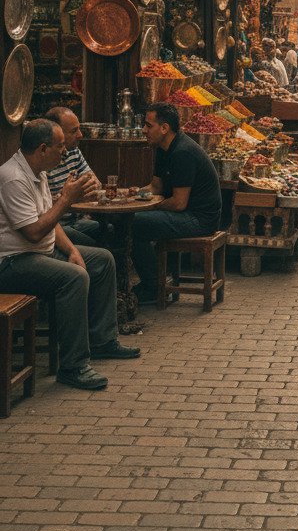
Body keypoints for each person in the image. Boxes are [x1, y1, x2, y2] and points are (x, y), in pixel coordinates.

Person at [0, 118, 139, 391]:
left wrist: (73, 250)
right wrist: (66, 200)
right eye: (60, 146)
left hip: (38, 253)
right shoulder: (13, 178)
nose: (65, 152)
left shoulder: (36, 171)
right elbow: (34, 232)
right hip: (12, 262)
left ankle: (102, 340)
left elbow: (51, 223)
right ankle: (73, 366)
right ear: (42, 149)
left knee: (101, 260)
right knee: (73, 278)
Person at [133, 104, 222, 301]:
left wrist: (151, 205)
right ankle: (156, 281)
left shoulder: (182, 152)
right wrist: (134, 195)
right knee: (132, 219)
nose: (144, 130)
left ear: (164, 128)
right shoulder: (163, 149)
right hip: (184, 214)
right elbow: (155, 187)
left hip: (199, 219)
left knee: (135, 224)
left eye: (148, 125)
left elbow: (179, 203)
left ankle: (154, 286)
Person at [44, 106, 102, 246]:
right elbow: (45, 205)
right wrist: (72, 195)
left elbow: (96, 184)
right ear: (57, 133)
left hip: (78, 220)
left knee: (114, 230)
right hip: (57, 226)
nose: (81, 135)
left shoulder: (73, 151)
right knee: (100, 243)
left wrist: (71, 195)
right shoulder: (44, 159)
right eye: (74, 131)